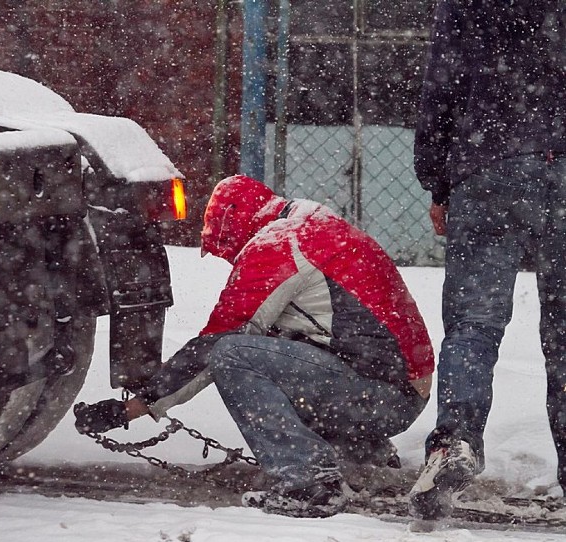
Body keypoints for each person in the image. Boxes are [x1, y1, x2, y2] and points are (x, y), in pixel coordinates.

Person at [74, 174, 434, 518]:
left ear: (233, 226)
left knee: (235, 354)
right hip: (396, 391)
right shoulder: (313, 222)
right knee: (274, 346)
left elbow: (215, 343)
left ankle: (309, 483)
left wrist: (133, 408)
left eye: (224, 249)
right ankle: (360, 456)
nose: (230, 260)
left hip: (382, 397)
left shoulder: (277, 245)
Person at [409, 1, 566, 520]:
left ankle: (453, 443)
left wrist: (437, 178)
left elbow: (440, 87)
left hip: (488, 164)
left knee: (473, 324)